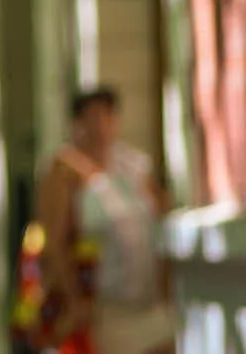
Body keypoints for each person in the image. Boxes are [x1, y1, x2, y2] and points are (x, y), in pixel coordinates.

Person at [36, 86, 175, 354]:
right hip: (104, 308)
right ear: (78, 124)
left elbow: (161, 218)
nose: (100, 126)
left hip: (149, 302)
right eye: (92, 117)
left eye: (107, 116)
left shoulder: (132, 165)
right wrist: (74, 299)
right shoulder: (65, 169)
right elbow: (53, 240)